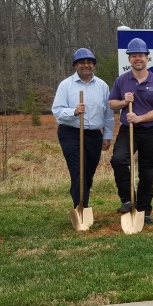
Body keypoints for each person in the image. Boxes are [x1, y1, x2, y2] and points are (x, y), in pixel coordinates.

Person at [109, 38, 153, 225]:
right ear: (129, 59)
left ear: (147, 58)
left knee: (146, 172)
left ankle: (144, 211)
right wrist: (124, 102)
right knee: (118, 160)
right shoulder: (122, 80)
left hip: (150, 131)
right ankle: (128, 200)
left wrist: (140, 118)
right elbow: (112, 103)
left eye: (141, 56)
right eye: (134, 56)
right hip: (128, 131)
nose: (137, 59)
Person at [52, 48, 114, 209]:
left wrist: (107, 136)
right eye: (82, 62)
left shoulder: (102, 86)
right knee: (78, 171)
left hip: (94, 135)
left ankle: (82, 200)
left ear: (93, 65)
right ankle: (81, 207)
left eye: (89, 62)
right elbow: (57, 111)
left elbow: (108, 114)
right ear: (75, 65)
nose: (86, 65)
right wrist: (73, 111)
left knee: (88, 173)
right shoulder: (66, 85)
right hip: (71, 134)